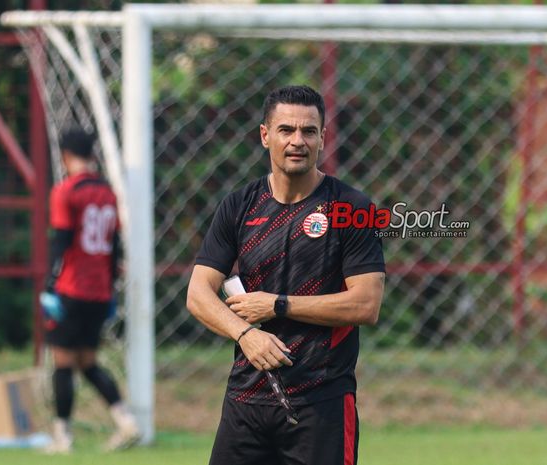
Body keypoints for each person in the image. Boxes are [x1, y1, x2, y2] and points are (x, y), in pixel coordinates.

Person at [187, 85, 385, 465]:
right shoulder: (239, 206)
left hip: (320, 401)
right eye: (286, 130)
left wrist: (276, 305)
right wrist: (244, 334)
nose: (298, 141)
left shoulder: (352, 208)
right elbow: (198, 294)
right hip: (246, 401)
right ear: (265, 136)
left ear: (323, 138)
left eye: (309, 131)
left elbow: (367, 303)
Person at [41, 127, 139, 453]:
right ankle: (126, 422)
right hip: (99, 293)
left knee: (63, 362)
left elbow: (62, 240)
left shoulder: (66, 191)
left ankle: (62, 436)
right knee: (87, 361)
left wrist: (50, 287)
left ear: (66, 156)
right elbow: (114, 247)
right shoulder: (108, 193)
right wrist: (111, 289)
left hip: (71, 288)